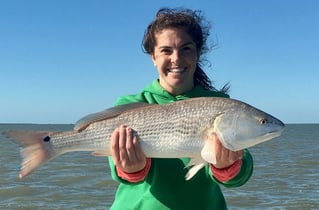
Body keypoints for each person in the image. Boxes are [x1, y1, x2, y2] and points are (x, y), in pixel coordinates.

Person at [108, 7, 253, 210]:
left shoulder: (220, 104)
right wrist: (130, 170)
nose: (176, 58)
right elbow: (118, 171)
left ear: (197, 52)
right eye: (166, 50)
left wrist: (228, 167)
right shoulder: (129, 105)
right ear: (153, 56)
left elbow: (240, 174)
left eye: (186, 49)